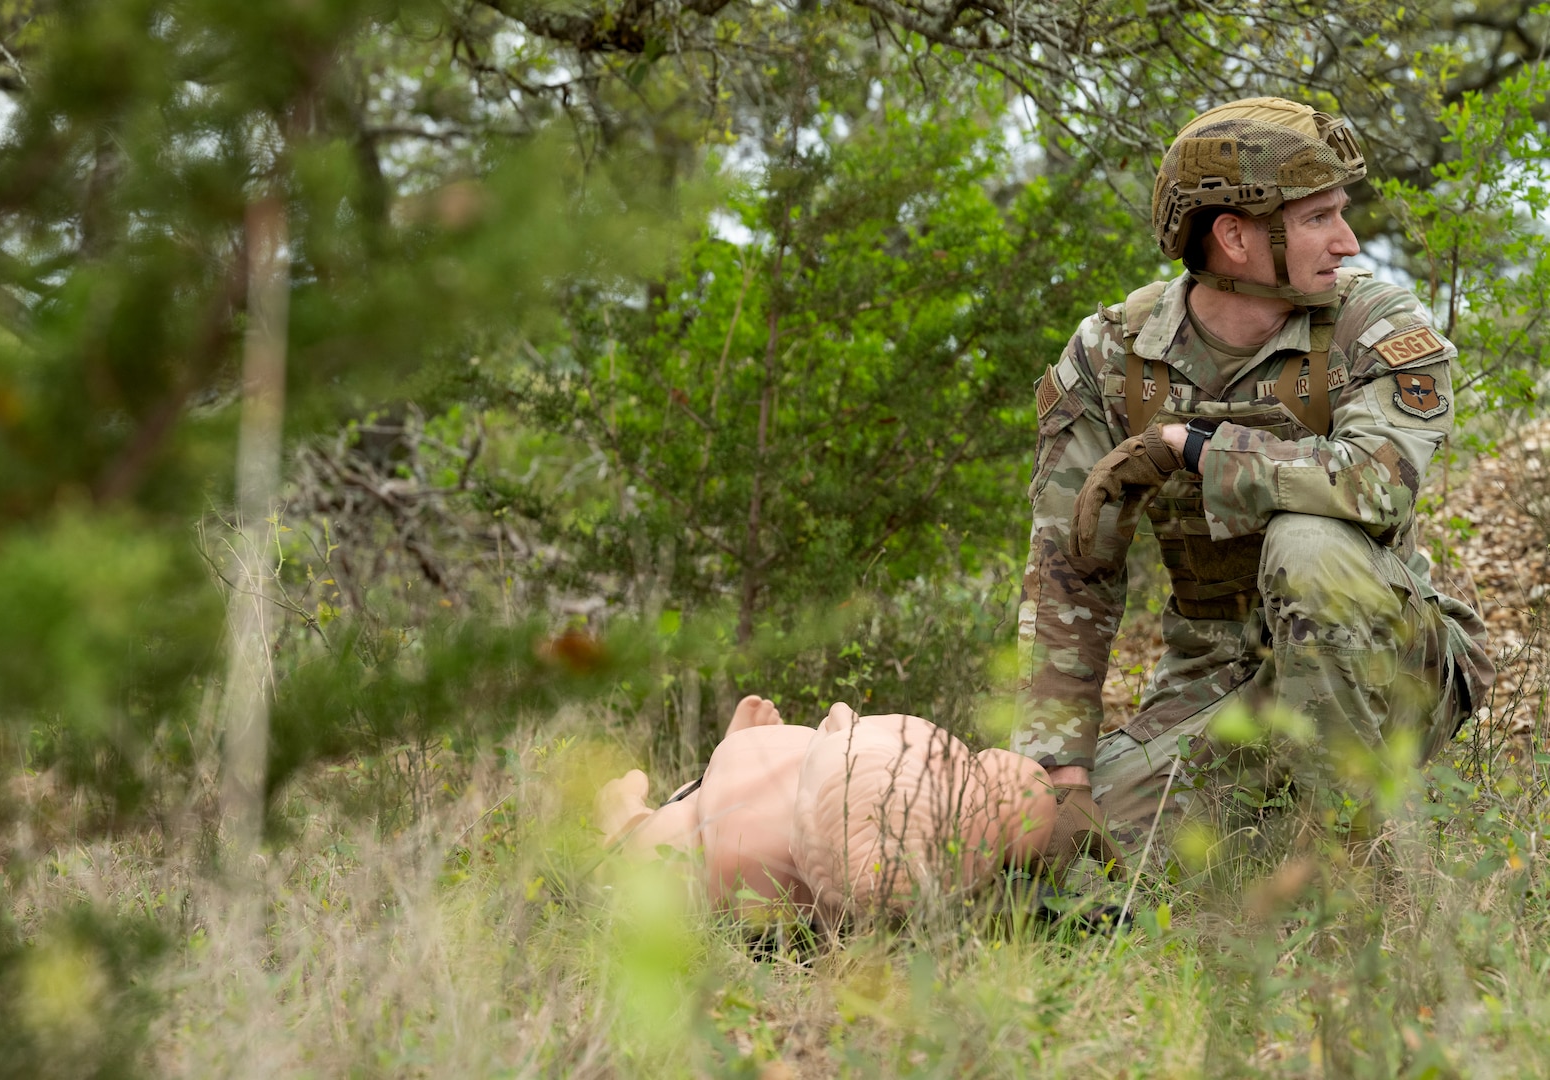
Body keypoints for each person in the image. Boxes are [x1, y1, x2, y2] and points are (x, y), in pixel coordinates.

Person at [1008, 98, 1495, 863]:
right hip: (1218, 678)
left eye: (1342, 212)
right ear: (1234, 237)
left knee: (1306, 544)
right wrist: (1059, 772)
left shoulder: (1374, 325)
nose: (1348, 240)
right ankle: (1264, 821)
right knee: (1065, 856)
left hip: (1390, 663)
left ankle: (1358, 864)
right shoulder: (1111, 358)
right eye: (1317, 219)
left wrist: (1193, 446)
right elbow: (1071, 570)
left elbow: (1377, 486)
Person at [597, 696, 1055, 921]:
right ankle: (728, 751)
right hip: (747, 820)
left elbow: (843, 725)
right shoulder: (943, 878)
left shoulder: (929, 756)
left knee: (662, 842)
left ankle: (625, 818)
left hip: (731, 807)